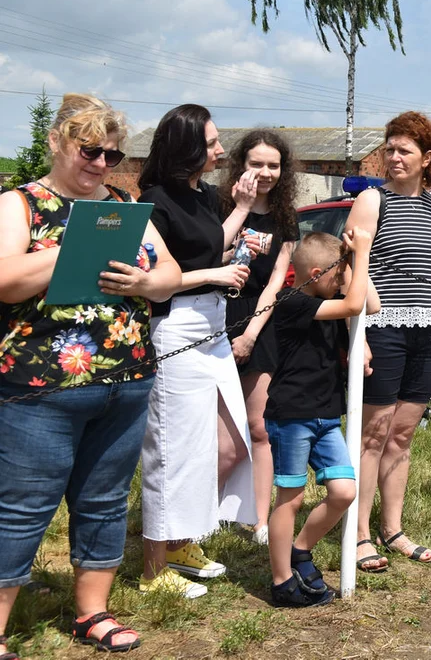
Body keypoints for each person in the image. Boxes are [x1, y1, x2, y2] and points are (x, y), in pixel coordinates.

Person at [0, 94, 182, 656]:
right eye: (90, 150)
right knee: (23, 505)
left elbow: (171, 273)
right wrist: (72, 249)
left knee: (103, 500)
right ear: (57, 141)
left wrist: (147, 284)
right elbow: (4, 281)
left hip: (126, 380)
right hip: (40, 386)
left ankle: (92, 613)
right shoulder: (20, 204)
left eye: (111, 154)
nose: (101, 163)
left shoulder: (125, 205)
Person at [138, 104, 259, 599]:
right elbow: (154, 284)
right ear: (187, 147)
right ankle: (153, 571)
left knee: (231, 443)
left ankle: (181, 540)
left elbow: (211, 244)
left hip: (210, 325)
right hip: (176, 327)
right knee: (171, 452)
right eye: (211, 143)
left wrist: (243, 209)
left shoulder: (205, 195)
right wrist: (213, 274)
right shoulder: (154, 201)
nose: (220, 150)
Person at [344, 112, 431, 569]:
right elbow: (352, 267)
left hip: (428, 333)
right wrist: (362, 332)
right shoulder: (373, 201)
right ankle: (360, 533)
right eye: (389, 149)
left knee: (403, 435)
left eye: (403, 150)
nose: (393, 158)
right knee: (372, 433)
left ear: (427, 158)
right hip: (383, 329)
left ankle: (393, 529)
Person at [265, 230, 376, 606]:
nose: (342, 280)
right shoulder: (292, 301)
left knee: (345, 491)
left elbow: (369, 305)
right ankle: (281, 581)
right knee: (291, 498)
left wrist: (354, 261)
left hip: (326, 415)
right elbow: (353, 305)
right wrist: (357, 259)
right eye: (337, 273)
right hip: (292, 415)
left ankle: (301, 549)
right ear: (315, 272)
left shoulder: (330, 297)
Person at [218, 130, 300, 545]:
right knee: (214, 427)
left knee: (259, 426)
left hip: (259, 323)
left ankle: (259, 520)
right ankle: (206, 513)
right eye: (256, 164)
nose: (265, 172)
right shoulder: (220, 205)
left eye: (273, 165)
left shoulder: (286, 218)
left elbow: (274, 285)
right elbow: (204, 258)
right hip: (214, 315)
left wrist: (251, 335)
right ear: (240, 165)